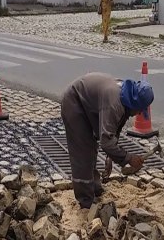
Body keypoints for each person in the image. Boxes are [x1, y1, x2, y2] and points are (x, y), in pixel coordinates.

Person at [61, 73, 151, 210]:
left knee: (91, 149)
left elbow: (114, 130)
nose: (139, 114)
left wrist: (110, 157)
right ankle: (86, 203)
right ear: (134, 104)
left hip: (88, 104)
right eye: (139, 110)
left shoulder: (126, 95)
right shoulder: (114, 103)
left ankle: (95, 188)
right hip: (74, 102)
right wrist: (129, 158)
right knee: (83, 153)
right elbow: (107, 142)